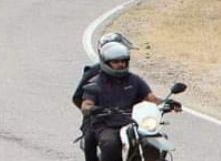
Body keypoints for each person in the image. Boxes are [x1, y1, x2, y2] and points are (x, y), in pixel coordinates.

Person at [80, 42, 181, 161]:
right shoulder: (96, 83)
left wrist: (168, 103)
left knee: (152, 140)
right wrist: (94, 109)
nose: (121, 64)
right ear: (106, 63)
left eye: (123, 61)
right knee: (110, 144)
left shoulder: (134, 80)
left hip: (134, 122)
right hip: (107, 124)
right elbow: (85, 105)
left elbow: (151, 98)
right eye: (116, 62)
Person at [72, 33, 136, 161]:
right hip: (98, 116)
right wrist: (94, 110)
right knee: (90, 137)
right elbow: (78, 97)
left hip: (124, 116)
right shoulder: (93, 71)